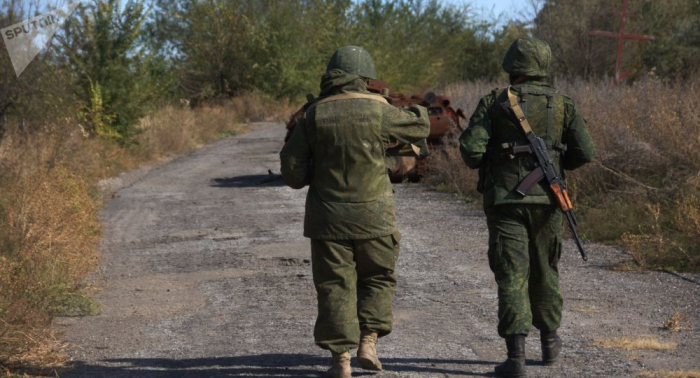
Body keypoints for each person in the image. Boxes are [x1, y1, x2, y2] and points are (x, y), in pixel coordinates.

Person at [280, 45, 430, 378]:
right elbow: (421, 127)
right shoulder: (380, 110)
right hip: (375, 216)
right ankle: (369, 343)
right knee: (377, 278)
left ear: (331, 76)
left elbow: (292, 173)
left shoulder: (313, 114)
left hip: (327, 219)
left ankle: (340, 362)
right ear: (366, 77)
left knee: (335, 285)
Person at [458, 38, 596, 377]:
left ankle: (516, 359)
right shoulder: (563, 103)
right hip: (549, 200)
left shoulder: (495, 102)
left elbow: (471, 152)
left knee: (511, 273)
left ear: (512, 66)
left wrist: (497, 156)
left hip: (506, 201)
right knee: (546, 269)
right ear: (543, 66)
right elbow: (585, 152)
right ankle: (550, 344)